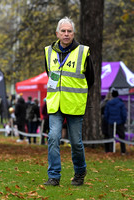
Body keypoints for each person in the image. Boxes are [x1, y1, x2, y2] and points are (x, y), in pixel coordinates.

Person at [44, 17, 94, 186]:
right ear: (57, 33)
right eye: (63, 31)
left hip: (74, 104)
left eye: (69, 31)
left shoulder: (83, 52)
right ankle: (54, 176)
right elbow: (49, 74)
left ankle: (80, 172)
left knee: (76, 143)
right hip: (55, 103)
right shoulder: (48, 52)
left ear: (74, 33)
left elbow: (91, 79)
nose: (66, 34)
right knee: (53, 137)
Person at [104, 90, 127, 154]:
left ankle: (111, 150)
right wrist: (123, 121)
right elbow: (124, 114)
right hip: (119, 122)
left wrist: (108, 120)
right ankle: (123, 151)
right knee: (121, 136)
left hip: (111, 122)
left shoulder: (109, 103)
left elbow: (106, 114)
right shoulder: (121, 103)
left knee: (111, 136)